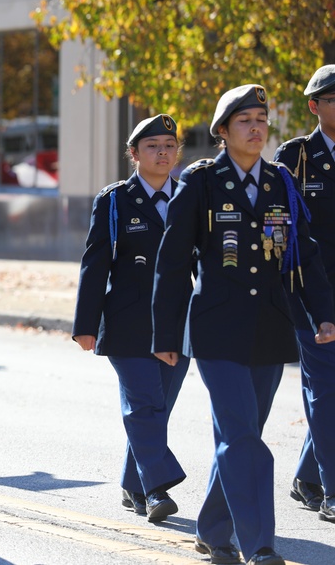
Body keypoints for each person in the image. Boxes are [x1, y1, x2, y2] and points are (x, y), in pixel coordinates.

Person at [153, 84, 335, 565]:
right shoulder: (201, 182)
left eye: (261, 119)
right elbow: (172, 265)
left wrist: (325, 313)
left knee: (241, 433)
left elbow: (305, 255)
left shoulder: (280, 182)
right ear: (222, 132)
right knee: (244, 439)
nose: (256, 128)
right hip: (216, 331)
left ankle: (213, 532)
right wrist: (165, 336)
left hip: (270, 330)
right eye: (244, 121)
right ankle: (259, 545)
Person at [72, 115, 190, 523]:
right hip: (127, 321)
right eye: (153, 146)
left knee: (157, 410)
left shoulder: (191, 196)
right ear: (134, 154)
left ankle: (133, 484)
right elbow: (95, 262)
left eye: (170, 145)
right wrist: (85, 324)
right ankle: (157, 489)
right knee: (144, 405)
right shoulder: (115, 200)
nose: (163, 153)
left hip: (178, 323)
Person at [274, 64, 335, 522]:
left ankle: (308, 477)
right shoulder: (294, 158)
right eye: (333, 99)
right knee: (326, 391)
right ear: (315, 106)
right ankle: (332, 489)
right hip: (312, 295)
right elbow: (282, 233)